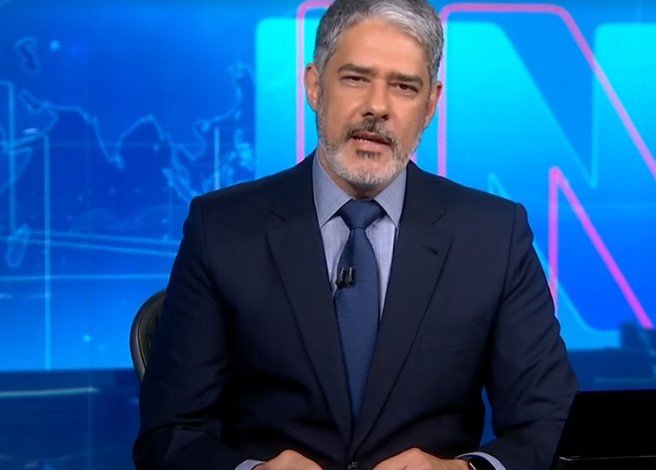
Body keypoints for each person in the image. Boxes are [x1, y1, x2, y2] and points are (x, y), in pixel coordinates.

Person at [133, 0, 578, 468]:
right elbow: (169, 434)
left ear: (430, 105)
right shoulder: (221, 229)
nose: (377, 108)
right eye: (355, 78)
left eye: (404, 87)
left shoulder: (494, 236)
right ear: (314, 86)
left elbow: (548, 422)